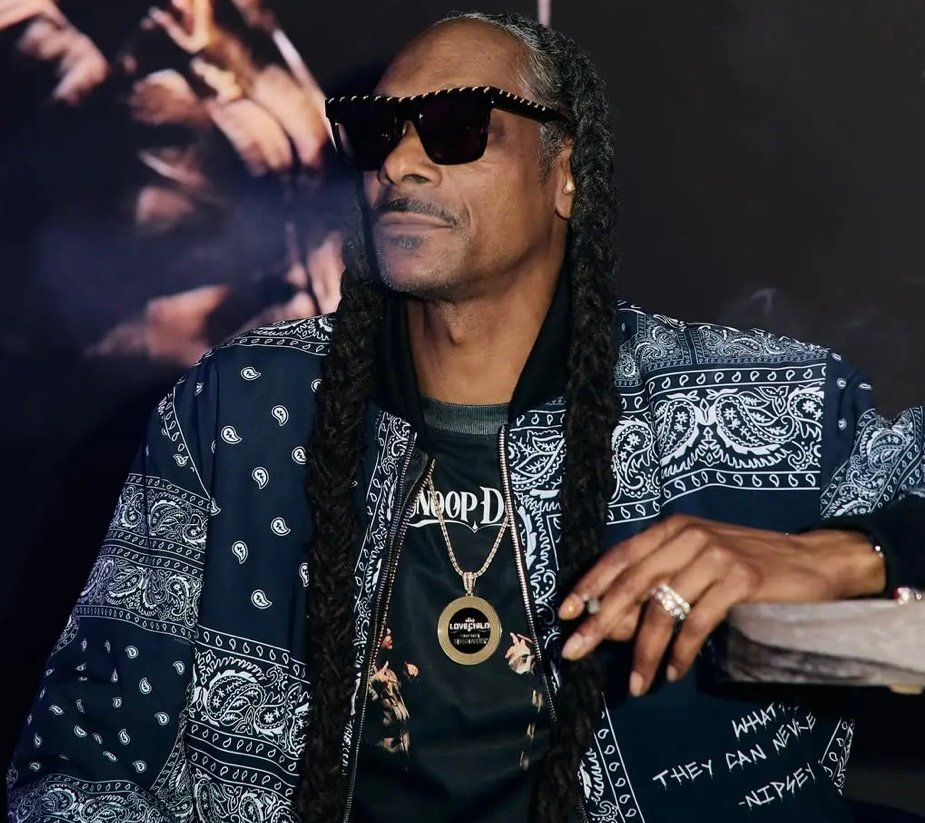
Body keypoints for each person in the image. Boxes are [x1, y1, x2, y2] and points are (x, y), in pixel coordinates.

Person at [7, 10, 925, 823]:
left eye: (456, 128)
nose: (400, 164)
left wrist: (847, 556)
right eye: (377, 133)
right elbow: (77, 758)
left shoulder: (766, 404)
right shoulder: (239, 410)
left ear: (566, 173)